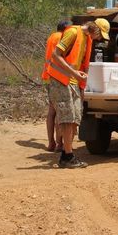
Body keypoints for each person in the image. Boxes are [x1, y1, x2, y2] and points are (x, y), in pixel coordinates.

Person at [47, 18, 110, 168]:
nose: (99, 39)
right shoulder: (73, 33)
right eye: (99, 35)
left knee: (74, 119)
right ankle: (67, 156)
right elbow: (56, 55)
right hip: (61, 80)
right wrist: (73, 73)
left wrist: (81, 87)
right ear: (94, 29)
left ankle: (66, 155)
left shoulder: (86, 39)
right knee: (67, 119)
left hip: (73, 82)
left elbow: (81, 64)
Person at [41, 19, 72, 152]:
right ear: (65, 29)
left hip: (47, 76)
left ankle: (51, 143)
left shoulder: (51, 37)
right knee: (60, 110)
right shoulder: (62, 38)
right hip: (56, 76)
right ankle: (60, 143)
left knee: (51, 111)